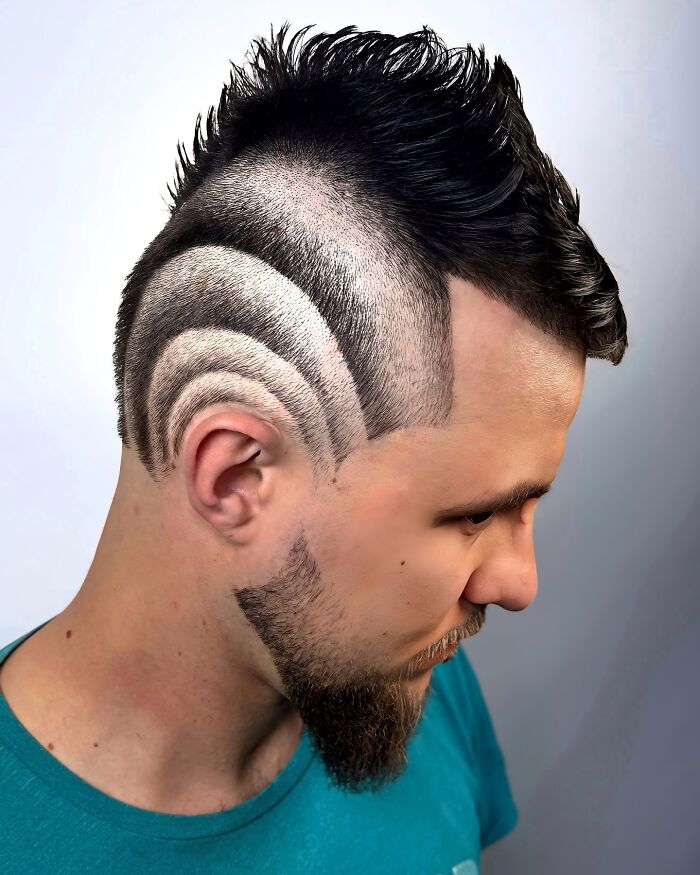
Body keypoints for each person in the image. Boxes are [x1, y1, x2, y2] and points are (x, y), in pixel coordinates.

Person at [0, 22, 627, 874]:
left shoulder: (410, 684)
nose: (518, 583)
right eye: (475, 513)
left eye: (526, 507)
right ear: (235, 475)